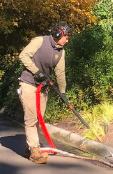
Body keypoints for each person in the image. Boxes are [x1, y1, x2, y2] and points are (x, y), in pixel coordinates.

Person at [18, 22, 73, 164]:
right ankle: (35, 151)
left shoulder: (61, 52)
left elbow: (60, 73)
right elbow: (23, 56)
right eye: (66, 37)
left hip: (42, 87)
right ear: (58, 34)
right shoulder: (40, 41)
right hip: (28, 83)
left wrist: (63, 92)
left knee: (39, 118)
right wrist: (36, 72)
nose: (67, 40)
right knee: (31, 118)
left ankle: (29, 146)